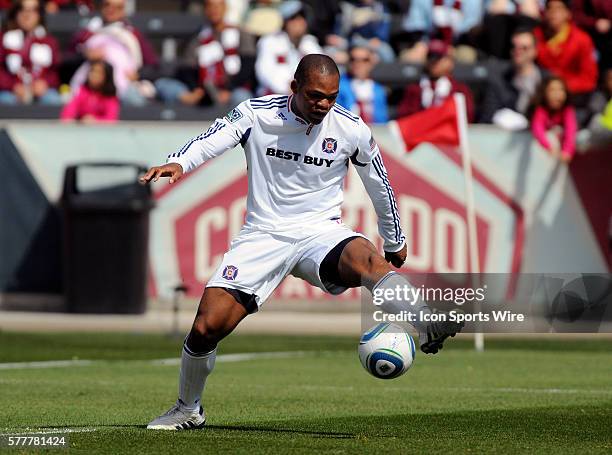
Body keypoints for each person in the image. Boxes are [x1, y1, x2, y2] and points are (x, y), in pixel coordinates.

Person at [141, 54, 463, 430]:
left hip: (320, 232)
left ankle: (425, 322)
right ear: (294, 87)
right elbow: (213, 139)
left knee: (371, 263)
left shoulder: (351, 128)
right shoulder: (257, 114)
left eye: (331, 96)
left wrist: (394, 239)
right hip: (263, 234)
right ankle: (187, 409)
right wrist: (179, 161)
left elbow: (380, 184)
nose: (324, 104)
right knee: (205, 328)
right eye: (315, 96)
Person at [155, 0, 256, 107]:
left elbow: (248, 66)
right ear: (205, 10)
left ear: (225, 8)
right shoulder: (198, 37)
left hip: (233, 89)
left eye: (218, 6)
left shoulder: (241, 34)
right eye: (210, 6)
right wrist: (196, 90)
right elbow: (188, 68)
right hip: (205, 90)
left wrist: (229, 90)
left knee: (242, 98)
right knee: (163, 85)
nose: (214, 10)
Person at [480, 29, 545, 129]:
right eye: (514, 47)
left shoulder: (547, 80)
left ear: (535, 51)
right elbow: (488, 117)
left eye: (524, 48)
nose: (518, 51)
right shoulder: (498, 81)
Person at [0, 0, 62, 105]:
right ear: (15, 13)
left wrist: (45, 84)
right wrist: (13, 86)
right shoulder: (3, 39)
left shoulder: (49, 41)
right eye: (22, 9)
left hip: (41, 91)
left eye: (33, 10)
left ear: (39, 15)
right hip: (11, 91)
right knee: (5, 100)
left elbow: (55, 72)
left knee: (53, 100)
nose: (27, 15)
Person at [396, 39, 474, 121]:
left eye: (439, 58)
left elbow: (466, 117)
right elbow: (404, 117)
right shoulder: (415, 89)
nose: (433, 62)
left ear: (450, 62)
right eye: (430, 57)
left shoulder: (459, 89)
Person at [534, 0, 598, 99]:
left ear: (568, 13)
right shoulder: (536, 36)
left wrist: (561, 88)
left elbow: (589, 78)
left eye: (558, 8)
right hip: (542, 94)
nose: (553, 13)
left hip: (573, 95)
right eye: (549, 8)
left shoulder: (582, 39)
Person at [254, 1, 321, 95]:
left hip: (302, 97)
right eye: (294, 18)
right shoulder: (270, 41)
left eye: (302, 17)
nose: (299, 22)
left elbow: (320, 70)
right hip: (273, 97)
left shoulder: (310, 42)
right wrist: (288, 88)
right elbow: (264, 72)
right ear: (285, 22)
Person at [337, 44, 388, 124]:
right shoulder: (338, 86)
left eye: (364, 60)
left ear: (371, 63)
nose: (358, 63)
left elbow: (382, 120)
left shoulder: (379, 90)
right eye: (353, 59)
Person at [531, 76, 577, 162]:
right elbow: (537, 129)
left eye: (561, 90)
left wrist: (567, 151)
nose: (557, 94)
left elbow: (571, 131)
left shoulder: (568, 110)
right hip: (545, 153)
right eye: (552, 90)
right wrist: (548, 147)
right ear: (544, 93)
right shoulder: (540, 110)